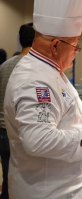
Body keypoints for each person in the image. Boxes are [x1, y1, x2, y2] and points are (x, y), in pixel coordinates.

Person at [3, 1, 82, 198]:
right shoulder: (34, 81)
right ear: (56, 45)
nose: (77, 51)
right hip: (48, 192)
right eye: (75, 45)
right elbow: (38, 140)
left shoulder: (51, 71)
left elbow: (66, 115)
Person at [0, 22, 35, 199]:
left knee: (7, 178)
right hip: (21, 132)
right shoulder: (34, 66)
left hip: (2, 130)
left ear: (20, 41)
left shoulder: (5, 65)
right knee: (24, 181)